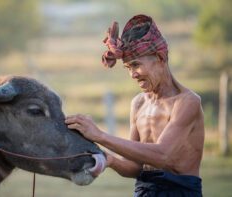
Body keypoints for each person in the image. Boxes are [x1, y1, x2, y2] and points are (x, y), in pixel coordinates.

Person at [65, 14, 204, 196]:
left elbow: (162, 155)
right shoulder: (138, 104)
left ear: (160, 58)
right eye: (128, 67)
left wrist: (100, 135)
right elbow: (135, 168)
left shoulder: (187, 102)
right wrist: (110, 160)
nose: (132, 74)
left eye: (136, 65)